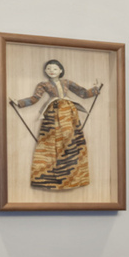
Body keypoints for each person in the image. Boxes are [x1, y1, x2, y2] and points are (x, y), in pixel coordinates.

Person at [13, 57, 102, 192]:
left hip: (69, 112)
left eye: (55, 68)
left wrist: (95, 90)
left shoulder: (67, 82)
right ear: (45, 70)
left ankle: (75, 176)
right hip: (52, 114)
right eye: (48, 68)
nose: (51, 71)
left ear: (60, 70)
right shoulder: (43, 85)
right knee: (49, 142)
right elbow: (35, 98)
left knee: (71, 141)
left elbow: (82, 93)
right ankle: (49, 177)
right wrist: (19, 102)